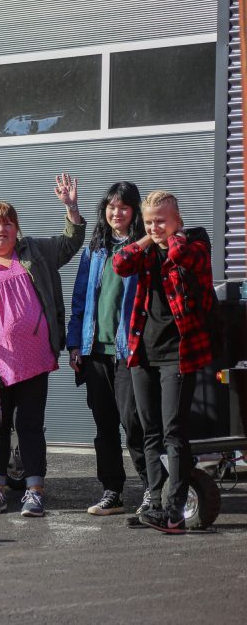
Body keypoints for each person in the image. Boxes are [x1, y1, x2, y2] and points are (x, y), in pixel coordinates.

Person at [0, 175, 85, 517]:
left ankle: (34, 490)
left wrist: (71, 207)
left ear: (17, 230)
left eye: (8, 225)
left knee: (30, 426)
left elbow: (70, 243)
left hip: (33, 359)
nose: (1, 231)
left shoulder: (35, 252)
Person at [113, 191, 213, 534]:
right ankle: (154, 503)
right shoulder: (146, 251)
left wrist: (170, 236)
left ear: (177, 219)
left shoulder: (195, 242)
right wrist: (147, 236)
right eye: (150, 220)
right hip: (143, 353)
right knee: (148, 431)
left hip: (180, 355)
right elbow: (120, 263)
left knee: (174, 432)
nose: (155, 227)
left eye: (162, 220)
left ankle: (174, 511)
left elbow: (185, 256)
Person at [67, 182, 149, 518]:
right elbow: (80, 299)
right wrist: (74, 345)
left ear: (135, 212)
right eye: (112, 207)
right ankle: (112, 491)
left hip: (128, 352)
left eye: (124, 207)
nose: (117, 213)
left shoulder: (143, 248)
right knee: (105, 426)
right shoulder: (95, 249)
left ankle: (152, 489)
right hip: (95, 351)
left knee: (135, 424)